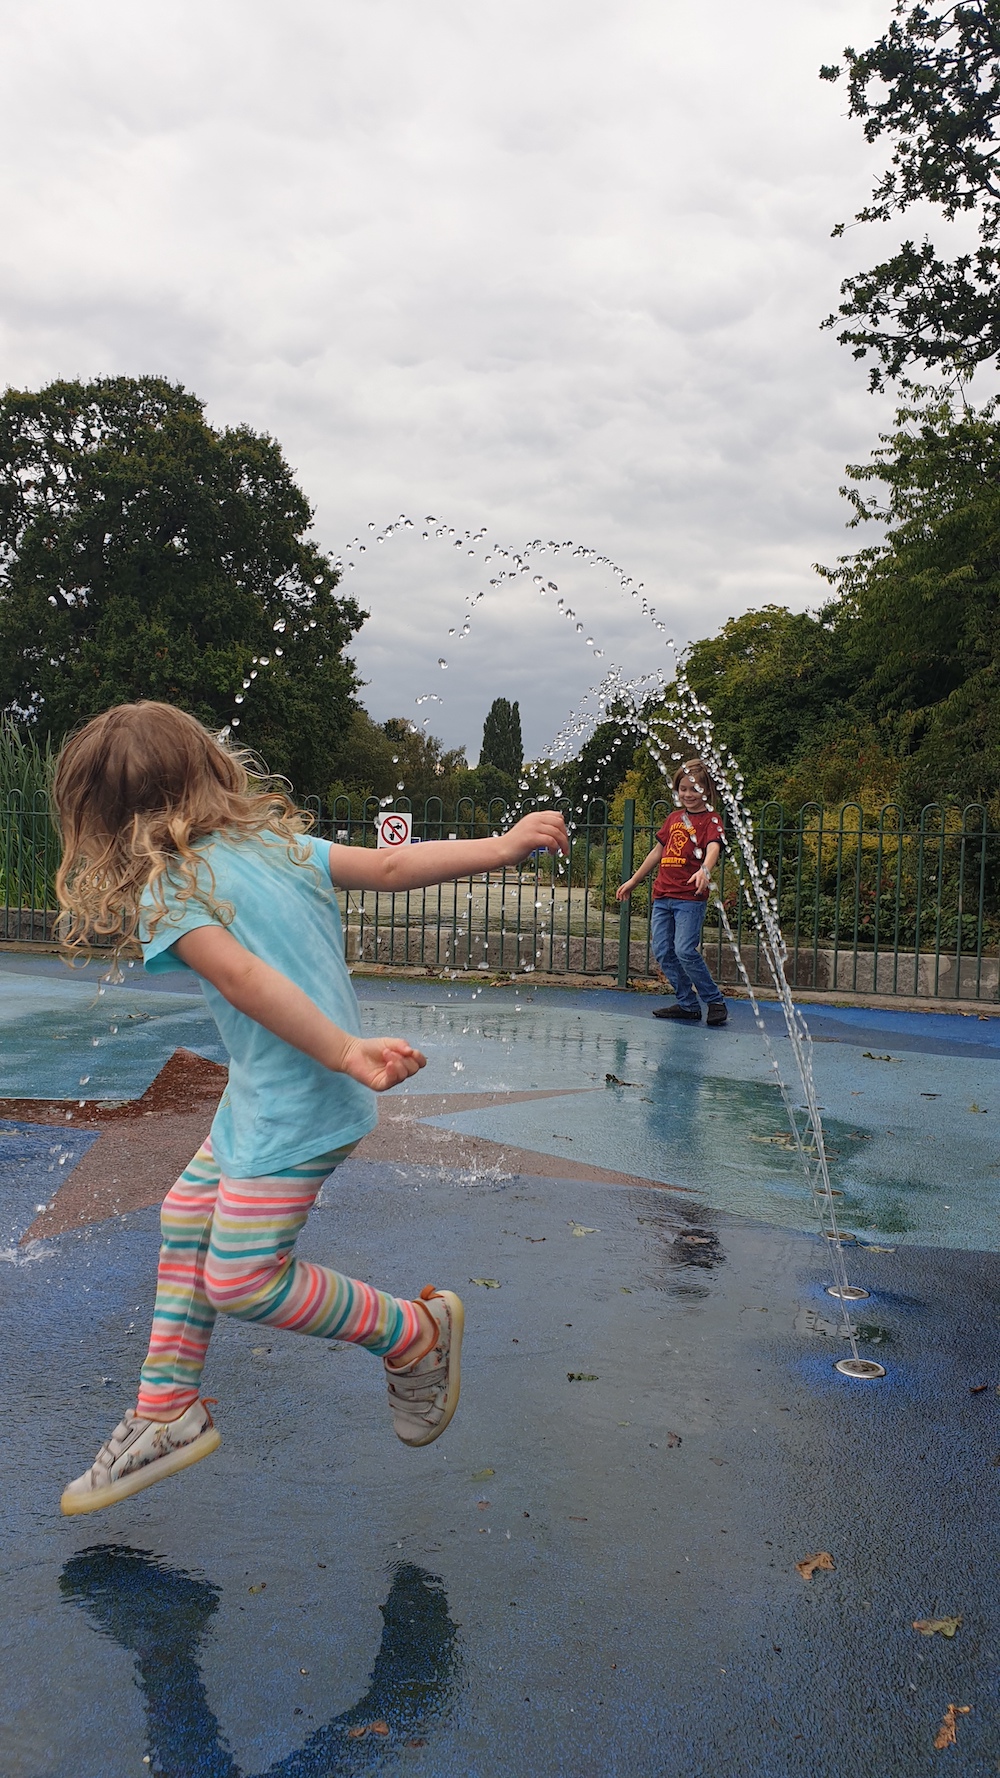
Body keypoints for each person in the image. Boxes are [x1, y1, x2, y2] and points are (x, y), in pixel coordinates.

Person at [53, 701, 568, 1515]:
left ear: (105, 818)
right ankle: (167, 1409)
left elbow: (243, 981)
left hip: (300, 1101)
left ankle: (415, 1333)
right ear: (210, 767)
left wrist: (343, 1052)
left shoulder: (172, 891)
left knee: (246, 1280)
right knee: (187, 1214)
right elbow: (395, 870)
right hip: (269, 1091)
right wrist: (503, 847)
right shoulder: (279, 845)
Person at [616, 758, 726, 1026]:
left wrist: (705, 870)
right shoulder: (674, 818)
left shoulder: (711, 819)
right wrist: (633, 880)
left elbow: (713, 848)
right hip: (663, 896)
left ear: (707, 790)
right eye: (683, 789)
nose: (688, 794)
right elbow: (658, 852)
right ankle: (688, 1004)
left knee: (685, 950)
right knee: (664, 950)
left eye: (694, 789)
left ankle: (714, 1000)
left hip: (689, 897)